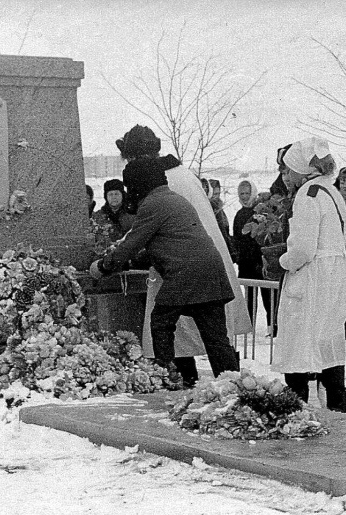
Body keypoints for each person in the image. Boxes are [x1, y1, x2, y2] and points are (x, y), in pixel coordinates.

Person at [114, 125, 251, 386]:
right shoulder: (183, 174)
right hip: (207, 264)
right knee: (214, 335)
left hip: (180, 269)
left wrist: (113, 258)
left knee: (172, 331)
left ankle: (178, 382)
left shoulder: (159, 181)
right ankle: (232, 386)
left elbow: (144, 228)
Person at [89, 157, 239, 377]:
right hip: (211, 271)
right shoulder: (175, 199)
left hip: (185, 273)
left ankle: (167, 375)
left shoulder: (152, 204)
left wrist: (103, 266)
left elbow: (132, 243)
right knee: (216, 338)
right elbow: (166, 241)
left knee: (160, 322)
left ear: (140, 183)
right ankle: (232, 385)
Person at [270, 137, 346, 413]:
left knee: (298, 344)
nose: (286, 176)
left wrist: (283, 261)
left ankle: (296, 409)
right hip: (335, 274)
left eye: (288, 169)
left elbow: (303, 248)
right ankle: (337, 406)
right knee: (328, 341)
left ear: (302, 170)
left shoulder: (307, 195)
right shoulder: (331, 191)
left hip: (313, 277)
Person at [232, 179, 272, 327]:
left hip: (260, 260)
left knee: (267, 295)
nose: (244, 196)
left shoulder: (261, 211)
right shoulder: (239, 214)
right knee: (249, 297)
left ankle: (271, 325)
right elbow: (237, 237)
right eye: (241, 193)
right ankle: (249, 326)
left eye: (247, 193)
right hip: (246, 262)